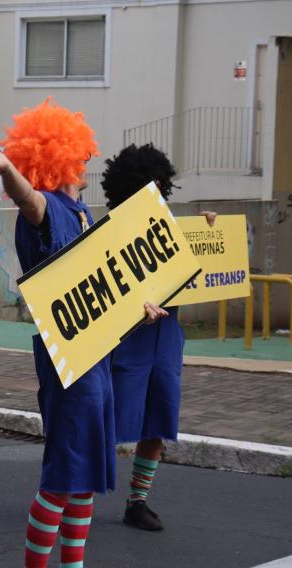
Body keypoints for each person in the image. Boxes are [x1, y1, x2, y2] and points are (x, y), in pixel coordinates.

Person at [0, 99, 167, 568]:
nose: (88, 158)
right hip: (70, 361)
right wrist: (8, 170)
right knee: (62, 479)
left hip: (97, 357)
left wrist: (139, 311)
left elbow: (100, 292)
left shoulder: (82, 212)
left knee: (84, 479)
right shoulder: (48, 206)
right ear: (59, 158)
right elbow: (30, 202)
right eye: (81, 152)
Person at [101, 143, 215, 531]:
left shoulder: (172, 227)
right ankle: (73, 491)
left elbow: (204, 266)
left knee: (157, 421)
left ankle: (137, 502)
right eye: (148, 187)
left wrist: (210, 230)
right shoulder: (109, 233)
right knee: (105, 421)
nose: (156, 193)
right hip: (126, 341)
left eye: (159, 186)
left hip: (165, 339)